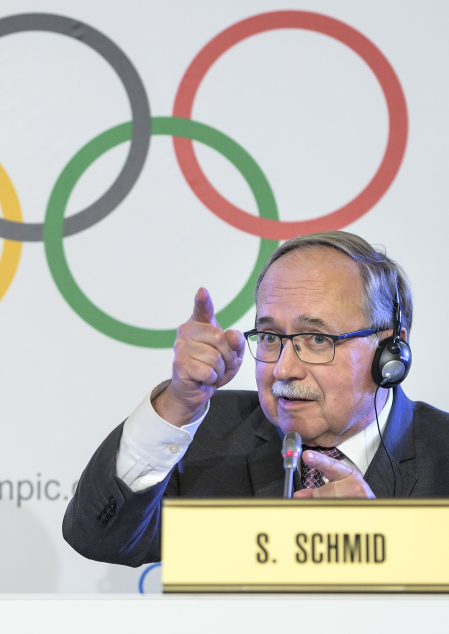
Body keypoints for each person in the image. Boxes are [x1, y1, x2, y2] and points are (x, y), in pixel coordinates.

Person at [62, 230, 449, 567]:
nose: (283, 369)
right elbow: (97, 538)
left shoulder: (442, 451)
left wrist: (379, 549)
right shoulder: (209, 434)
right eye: (270, 338)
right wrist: (178, 402)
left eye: (316, 339)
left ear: (390, 348)